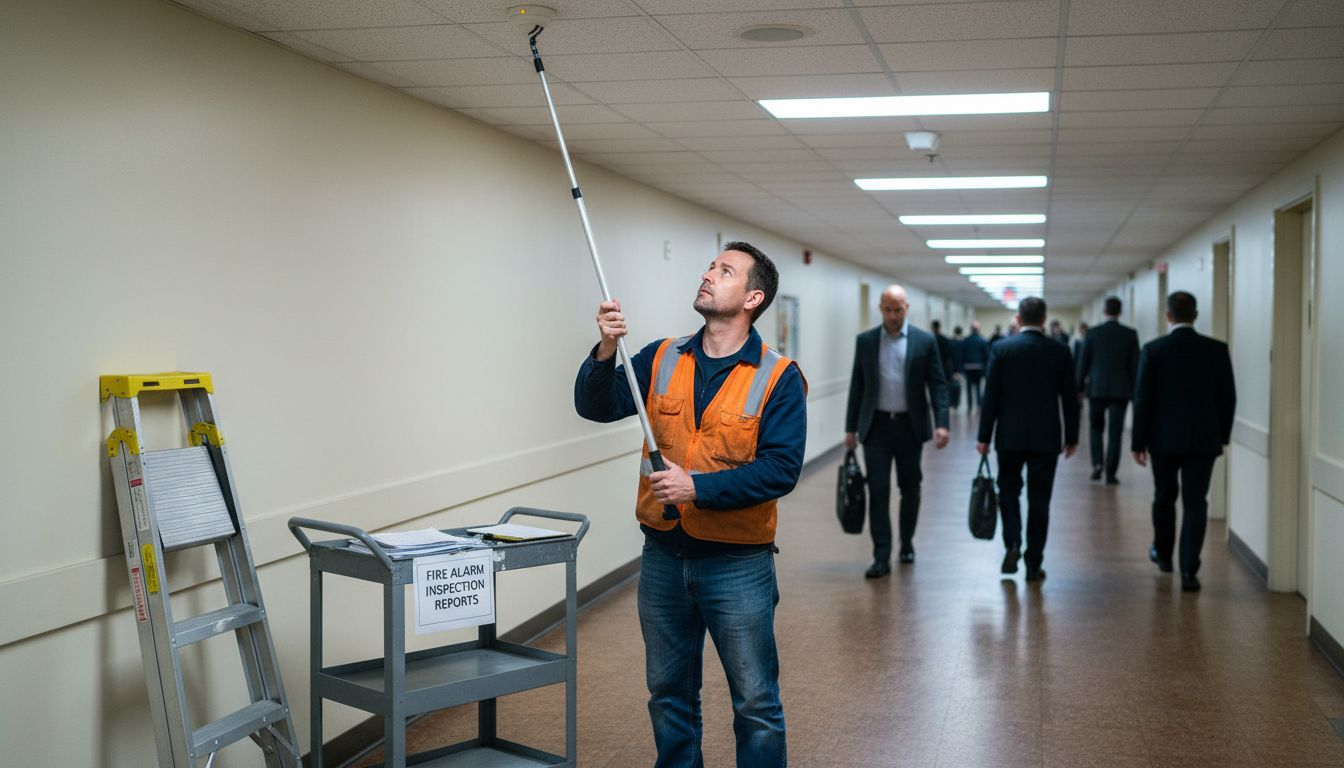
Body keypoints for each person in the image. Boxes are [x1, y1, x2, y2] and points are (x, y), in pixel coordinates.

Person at [574, 241, 807, 767]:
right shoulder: (659, 356)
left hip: (738, 565)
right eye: (709, 266)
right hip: (662, 558)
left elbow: (781, 469)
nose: (707, 275)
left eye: (724, 271)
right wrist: (606, 349)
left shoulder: (778, 377)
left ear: (752, 298)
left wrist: (697, 489)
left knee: (755, 703)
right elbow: (597, 405)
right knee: (669, 696)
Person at [1132, 291, 1236, 593]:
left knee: (1164, 497)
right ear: (1196, 314)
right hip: (1203, 440)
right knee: (1195, 502)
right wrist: (1222, 436)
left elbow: (1143, 401)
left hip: (1162, 440)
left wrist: (1138, 442)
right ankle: (1190, 569)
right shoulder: (1216, 350)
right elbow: (1227, 397)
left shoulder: (1153, 350)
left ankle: (1164, 556)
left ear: (1168, 316)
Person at [845, 285, 950, 576]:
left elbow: (938, 384)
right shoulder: (866, 341)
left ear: (906, 309)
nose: (893, 315)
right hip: (876, 426)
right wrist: (850, 428)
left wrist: (942, 423)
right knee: (878, 491)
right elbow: (858, 385)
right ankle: (881, 555)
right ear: (881, 309)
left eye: (898, 309)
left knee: (910, 488)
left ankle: (906, 543)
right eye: (888, 310)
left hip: (909, 427)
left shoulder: (924, 341)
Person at [977, 297, 1079, 582]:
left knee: (1008, 492)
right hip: (1046, 438)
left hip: (1009, 436)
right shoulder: (1059, 352)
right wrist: (1072, 436)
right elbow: (1070, 399)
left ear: (1018, 320)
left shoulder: (1001, 349)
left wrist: (984, 436)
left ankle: (1012, 543)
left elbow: (991, 397)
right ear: (1044, 319)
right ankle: (1034, 562)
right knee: (1040, 499)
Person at [1076, 296, 1140, 484]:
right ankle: (1111, 472)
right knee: (1115, 432)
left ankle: (1097, 465)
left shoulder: (1093, 333)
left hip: (1096, 389)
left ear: (1104, 312)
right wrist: (1136, 393)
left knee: (1096, 428)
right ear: (1120, 312)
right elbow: (1135, 367)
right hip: (1121, 391)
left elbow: (1083, 364)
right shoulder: (1130, 334)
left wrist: (1079, 388)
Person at [960, 321, 990, 413]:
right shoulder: (982, 340)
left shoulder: (966, 340)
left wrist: (961, 368)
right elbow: (986, 355)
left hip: (968, 367)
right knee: (978, 388)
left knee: (968, 388)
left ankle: (969, 407)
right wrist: (986, 369)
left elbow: (962, 354)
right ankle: (979, 406)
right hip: (979, 367)